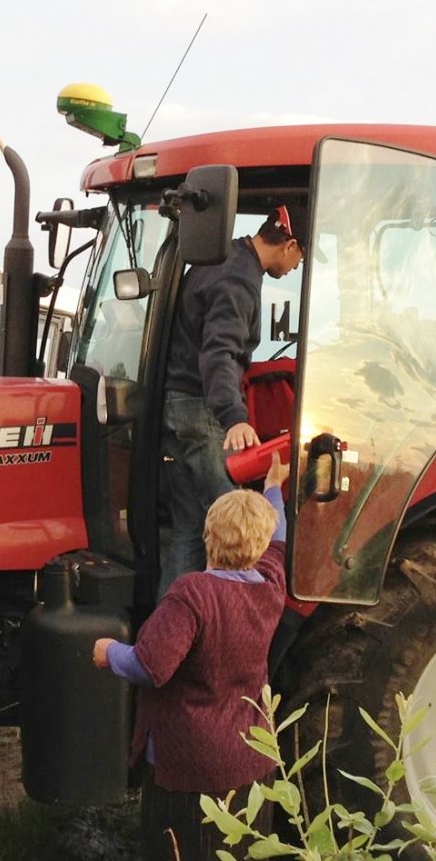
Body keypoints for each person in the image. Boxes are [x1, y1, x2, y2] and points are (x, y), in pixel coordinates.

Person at [92, 454, 289, 861]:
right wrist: (274, 486)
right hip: (252, 758)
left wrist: (106, 651)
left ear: (207, 536)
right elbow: (279, 539)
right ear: (260, 541)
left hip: (191, 770)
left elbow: (150, 666)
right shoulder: (270, 585)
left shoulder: (193, 594)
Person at [158, 203, 304, 595]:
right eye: (301, 257)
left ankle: (169, 632)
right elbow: (219, 352)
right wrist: (234, 415)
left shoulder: (218, 259)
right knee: (243, 527)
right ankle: (247, 625)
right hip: (200, 408)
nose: (296, 268)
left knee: (189, 528)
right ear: (289, 245)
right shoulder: (239, 278)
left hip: (174, 404)